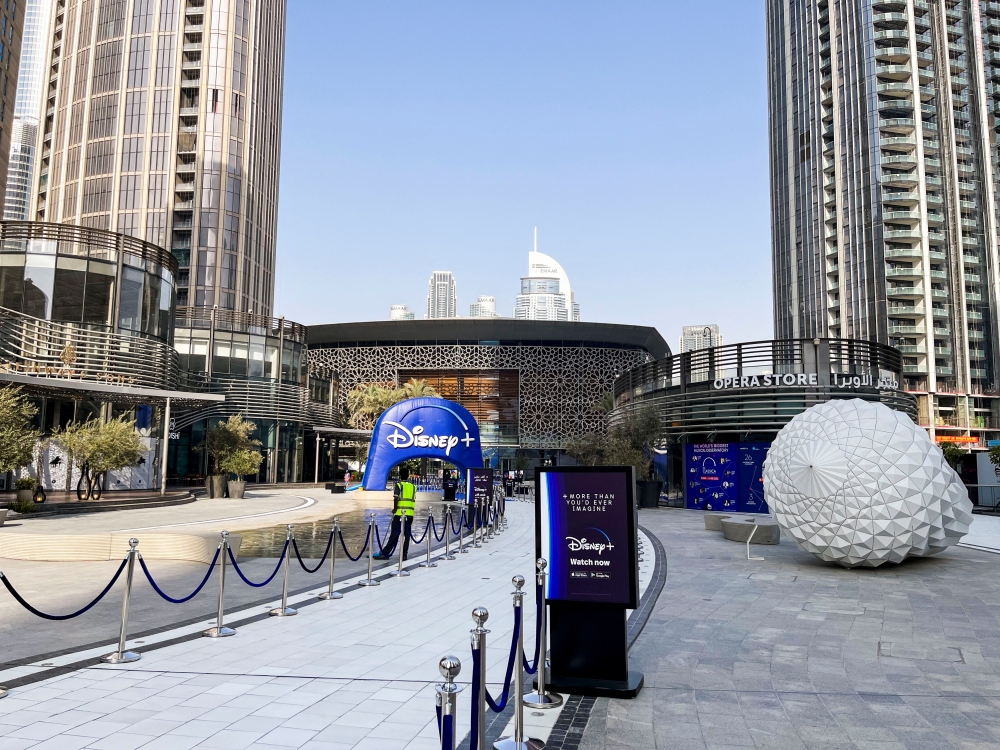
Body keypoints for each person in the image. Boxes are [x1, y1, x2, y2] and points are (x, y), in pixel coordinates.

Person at [373, 466, 416, 560]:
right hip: (410, 514)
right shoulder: (413, 486)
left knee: (394, 534)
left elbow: (396, 498)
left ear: (400, 475)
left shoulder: (399, 485)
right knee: (407, 534)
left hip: (399, 513)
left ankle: (385, 553)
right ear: (408, 475)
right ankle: (404, 555)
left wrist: (395, 508)